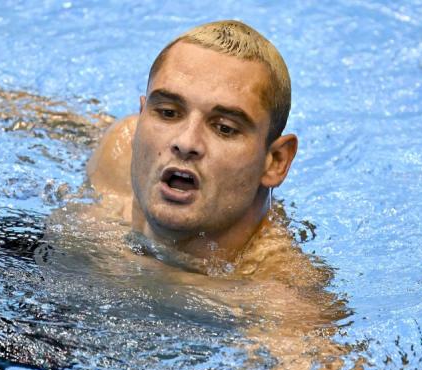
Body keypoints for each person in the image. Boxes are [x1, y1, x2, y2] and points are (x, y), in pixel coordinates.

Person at [86, 20, 326, 284]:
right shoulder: (118, 153)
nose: (186, 142)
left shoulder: (277, 297)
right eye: (168, 113)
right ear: (141, 120)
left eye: (224, 128)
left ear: (276, 162)